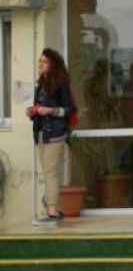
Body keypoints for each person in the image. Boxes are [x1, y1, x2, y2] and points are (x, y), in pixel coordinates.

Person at [28, 49, 74, 226]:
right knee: (47, 172)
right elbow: (38, 108)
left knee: (50, 172)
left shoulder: (61, 84)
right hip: (41, 133)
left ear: (52, 64)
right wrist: (32, 112)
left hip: (55, 133)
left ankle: (52, 212)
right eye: (40, 61)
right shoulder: (40, 85)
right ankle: (54, 209)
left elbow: (68, 110)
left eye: (44, 61)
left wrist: (50, 111)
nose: (40, 64)